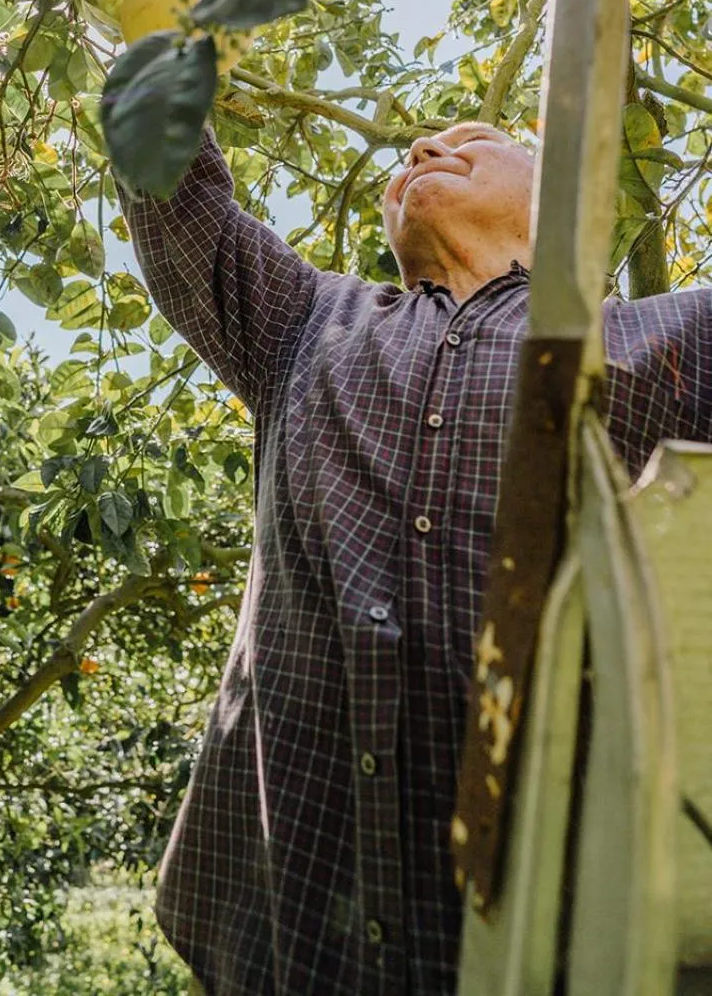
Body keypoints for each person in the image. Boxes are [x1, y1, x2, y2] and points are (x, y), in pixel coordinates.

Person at [117, 58, 712, 995]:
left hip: (567, 945)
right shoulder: (305, 322)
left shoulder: (676, 338)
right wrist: (166, 28)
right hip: (294, 936)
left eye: (471, 143)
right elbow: (170, 192)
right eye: (407, 157)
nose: (425, 149)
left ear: (564, 195)